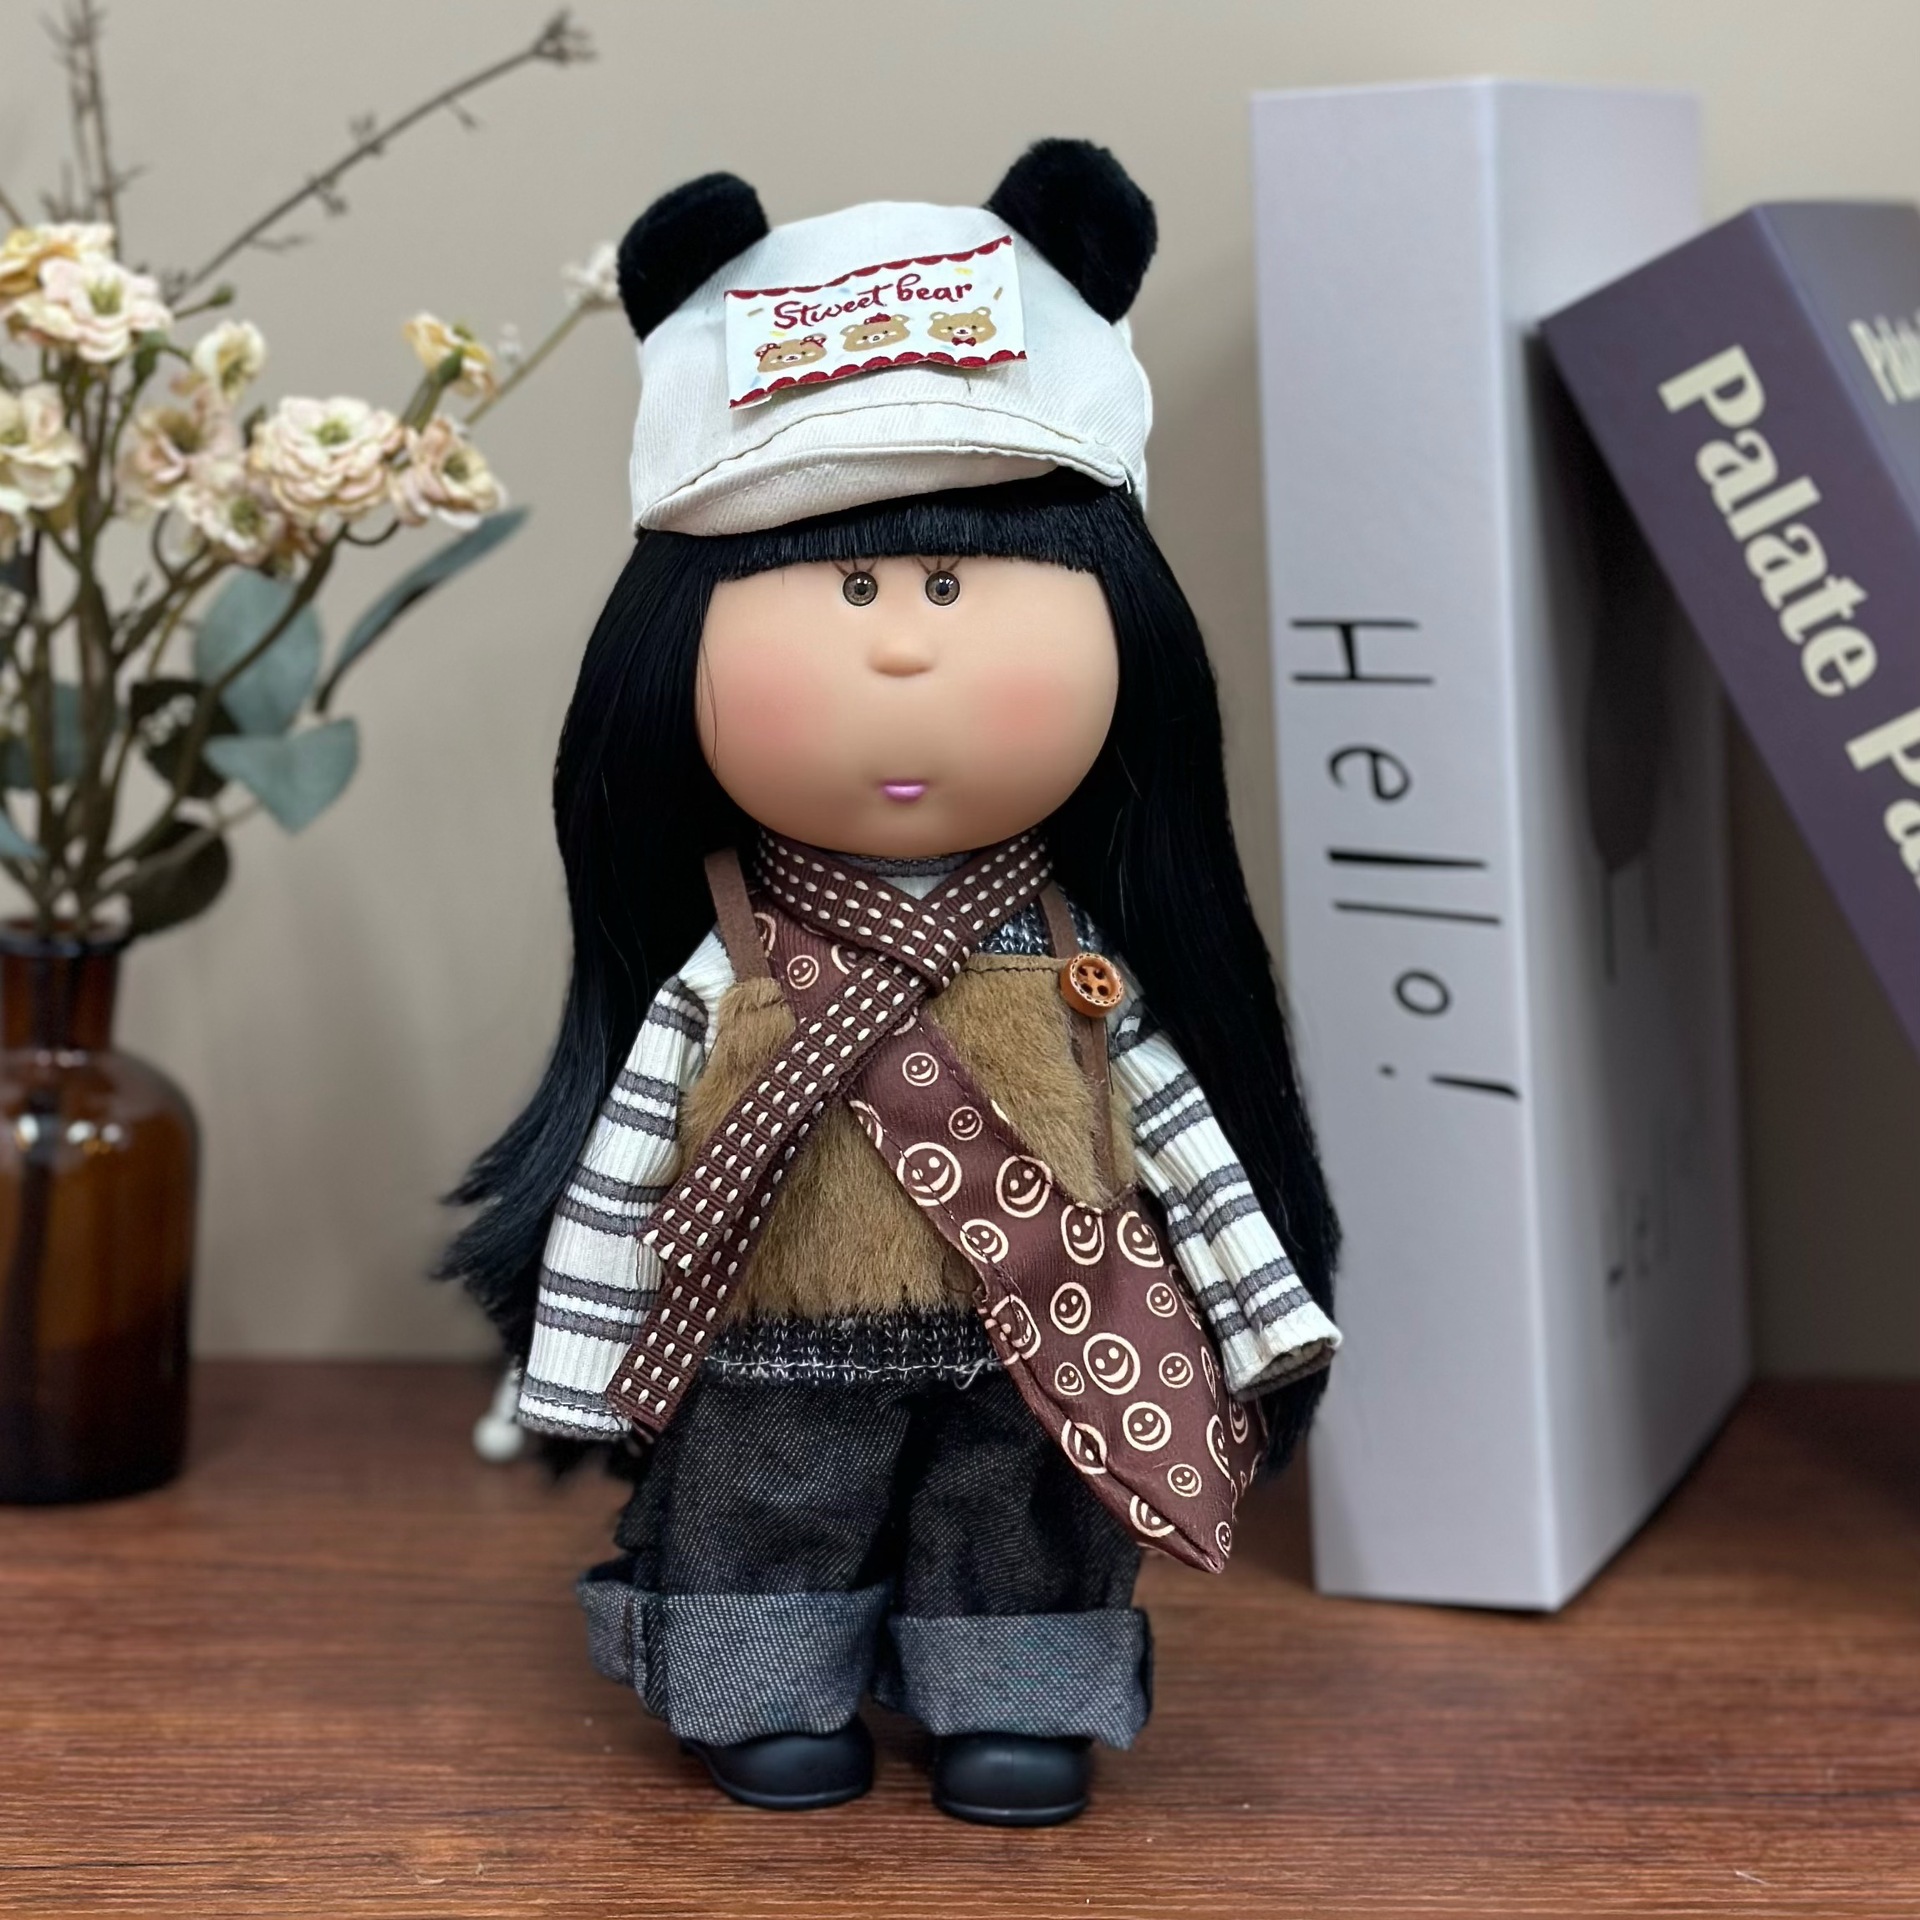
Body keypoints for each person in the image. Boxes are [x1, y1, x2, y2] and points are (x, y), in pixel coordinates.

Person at [443, 140, 1340, 1827]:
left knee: (1024, 1517)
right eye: (849, 586)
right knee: (761, 1512)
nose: (906, 641)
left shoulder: (1073, 961)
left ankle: (1016, 1700)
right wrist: (582, 1358)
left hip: (1043, 1334)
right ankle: (758, 1688)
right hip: (774, 1341)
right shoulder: (726, 962)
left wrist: (1256, 1307)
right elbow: (633, 1157)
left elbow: (1175, 1130)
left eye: (949, 582)